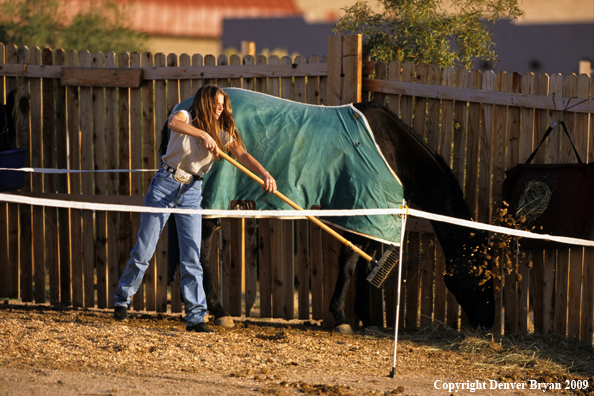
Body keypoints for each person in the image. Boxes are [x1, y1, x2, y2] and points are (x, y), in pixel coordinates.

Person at [113, 85, 277, 333]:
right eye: (216, 102)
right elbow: (172, 124)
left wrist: (265, 173)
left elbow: (242, 154)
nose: (220, 107)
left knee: (192, 255)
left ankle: (196, 317)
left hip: (192, 191)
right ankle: (122, 300)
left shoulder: (223, 132)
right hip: (165, 184)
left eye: (223, 103)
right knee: (144, 248)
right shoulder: (185, 116)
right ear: (204, 103)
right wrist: (201, 134)